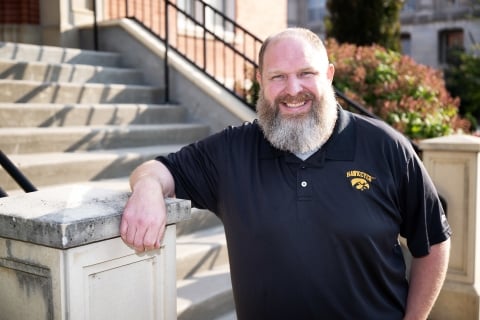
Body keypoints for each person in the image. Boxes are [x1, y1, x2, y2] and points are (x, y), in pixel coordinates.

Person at [120, 28, 451, 319]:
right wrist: (147, 189)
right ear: (261, 81)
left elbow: (433, 240)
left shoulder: (385, 147)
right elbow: (158, 170)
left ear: (329, 75)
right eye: (278, 76)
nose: (293, 89)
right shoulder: (231, 152)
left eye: (306, 73)